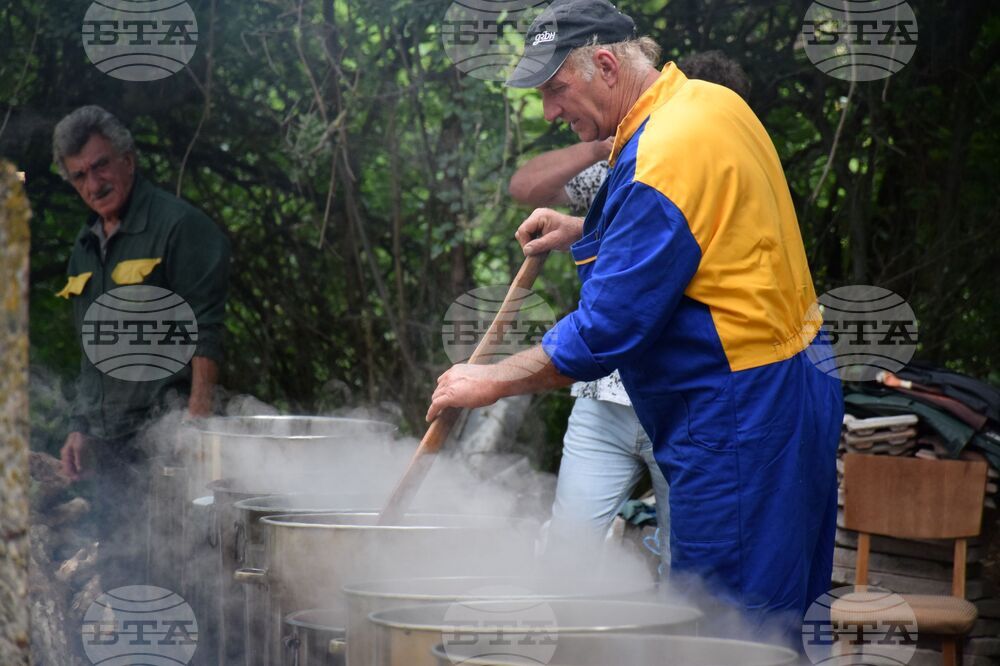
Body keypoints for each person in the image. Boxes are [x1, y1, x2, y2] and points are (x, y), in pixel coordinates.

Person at [428, 0, 843, 632]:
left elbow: (607, 329)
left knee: (725, 626)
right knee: (779, 614)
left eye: (556, 90)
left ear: (603, 65)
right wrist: (582, 227)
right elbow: (704, 234)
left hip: (738, 407)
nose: (550, 112)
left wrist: (491, 380)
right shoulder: (706, 104)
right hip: (791, 387)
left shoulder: (666, 152)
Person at [508, 51, 753, 573]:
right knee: (565, 558)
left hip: (682, 403)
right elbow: (526, 187)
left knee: (685, 569)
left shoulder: (719, 168)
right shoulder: (625, 154)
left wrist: (488, 381)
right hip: (604, 400)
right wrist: (600, 147)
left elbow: (674, 259)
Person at [53, 105, 230, 588]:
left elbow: (206, 331)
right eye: (79, 176)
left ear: (128, 159)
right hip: (111, 446)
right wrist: (79, 426)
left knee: (181, 574)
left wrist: (195, 428)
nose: (94, 184)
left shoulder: (178, 227)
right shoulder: (85, 245)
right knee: (121, 571)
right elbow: (91, 348)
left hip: (167, 440)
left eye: (101, 165)